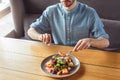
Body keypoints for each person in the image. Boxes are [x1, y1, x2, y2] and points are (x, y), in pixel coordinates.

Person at [27, 0, 109, 52]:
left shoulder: (90, 13)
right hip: (58, 54)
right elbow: (31, 31)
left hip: (82, 55)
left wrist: (90, 41)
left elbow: (105, 42)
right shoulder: (50, 11)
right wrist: (40, 36)